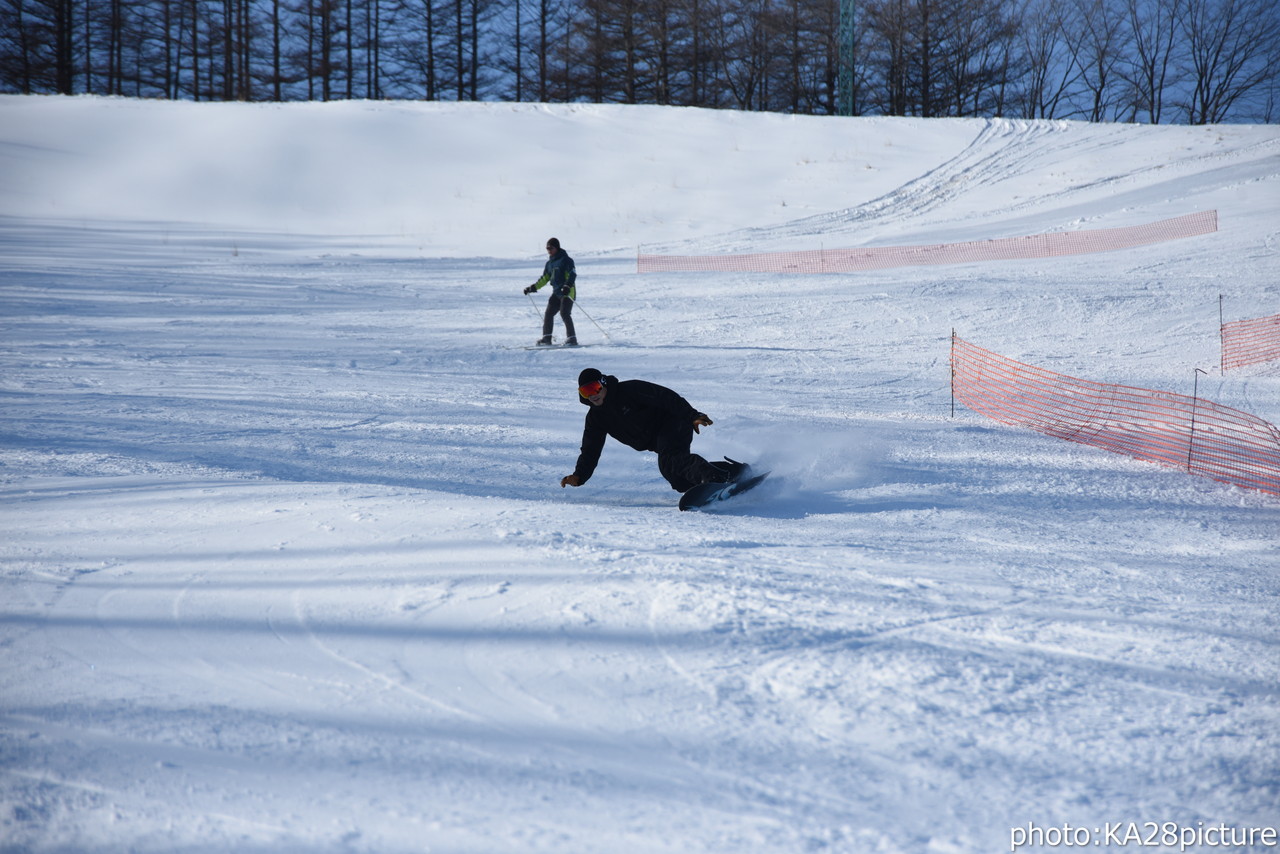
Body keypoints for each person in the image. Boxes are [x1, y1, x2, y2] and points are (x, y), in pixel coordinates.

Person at [560, 368, 744, 493]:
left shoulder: (629, 390)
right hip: (658, 440)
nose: (592, 395)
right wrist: (580, 476)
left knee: (672, 460)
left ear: (603, 383)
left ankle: (716, 479)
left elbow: (665, 397)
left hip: (674, 422)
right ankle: (729, 472)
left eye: (594, 388)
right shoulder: (596, 418)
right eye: (585, 392)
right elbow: (591, 449)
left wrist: (692, 415)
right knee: (676, 478)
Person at [523, 237, 577, 346]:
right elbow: (544, 279)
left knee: (564, 313)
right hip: (557, 292)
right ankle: (546, 339)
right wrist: (532, 288)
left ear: (556, 248)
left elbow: (572, 274)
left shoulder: (566, 260)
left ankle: (572, 339)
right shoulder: (549, 263)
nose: (549, 250)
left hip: (567, 293)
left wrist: (567, 286)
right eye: (547, 248)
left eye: (551, 248)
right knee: (548, 314)